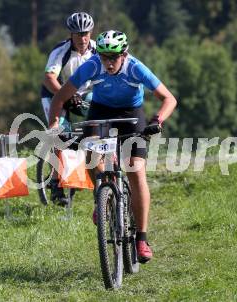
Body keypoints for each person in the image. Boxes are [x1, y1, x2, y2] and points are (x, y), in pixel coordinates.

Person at [48, 30, 177, 263]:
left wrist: (157, 121)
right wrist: (54, 124)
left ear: (124, 54)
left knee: (135, 171)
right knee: (89, 156)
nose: (108, 62)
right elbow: (59, 97)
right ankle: (102, 196)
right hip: (100, 111)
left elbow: (169, 98)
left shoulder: (135, 68)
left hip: (131, 115)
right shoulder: (92, 65)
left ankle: (141, 238)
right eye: (104, 56)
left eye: (113, 57)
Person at [41, 12, 96, 206]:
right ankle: (56, 182)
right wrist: (67, 96)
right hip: (56, 92)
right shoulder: (61, 51)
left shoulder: (97, 50)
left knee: (97, 121)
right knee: (60, 133)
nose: (82, 38)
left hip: (83, 93)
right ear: (71, 34)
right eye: (78, 34)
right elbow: (49, 78)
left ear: (91, 32)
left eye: (86, 34)